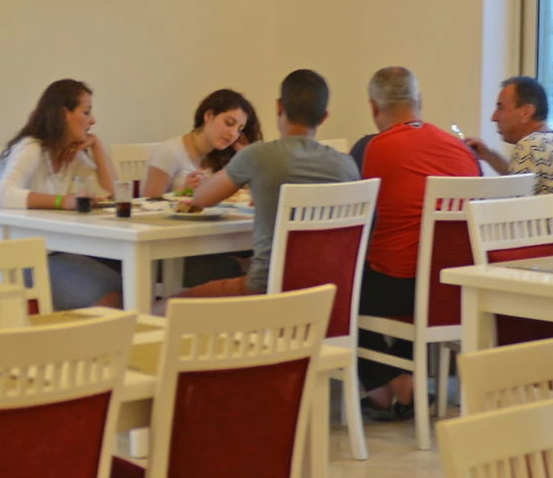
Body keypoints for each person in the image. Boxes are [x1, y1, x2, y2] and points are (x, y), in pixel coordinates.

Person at [350, 67, 488, 412]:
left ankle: (382, 384)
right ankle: (403, 380)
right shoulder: (461, 150)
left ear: (373, 107)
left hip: (398, 284)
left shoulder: (375, 148)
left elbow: (360, 214)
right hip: (454, 286)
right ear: (419, 100)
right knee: (410, 277)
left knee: (336, 286)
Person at [177, 70, 356, 297]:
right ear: (324, 117)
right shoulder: (346, 166)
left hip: (267, 293)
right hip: (329, 296)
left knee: (164, 308)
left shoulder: (258, 156)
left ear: (279, 107)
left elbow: (201, 198)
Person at [0, 78, 124, 309]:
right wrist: (62, 201)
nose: (93, 120)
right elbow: (4, 195)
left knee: (131, 285)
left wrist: (97, 146)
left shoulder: (71, 153)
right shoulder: (31, 148)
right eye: (86, 112)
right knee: (110, 298)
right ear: (64, 114)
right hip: (17, 259)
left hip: (57, 252)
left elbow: (113, 194)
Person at [467, 76, 553, 211]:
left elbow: (513, 209)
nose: (494, 117)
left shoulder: (530, 146)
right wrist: (489, 156)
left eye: (500, 108)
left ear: (526, 112)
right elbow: (524, 182)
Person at [141, 89, 259, 198]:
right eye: (229, 123)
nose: (233, 133)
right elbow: (148, 202)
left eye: (239, 129)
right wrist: (183, 191)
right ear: (208, 115)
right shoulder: (169, 152)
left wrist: (244, 158)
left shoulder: (222, 156)